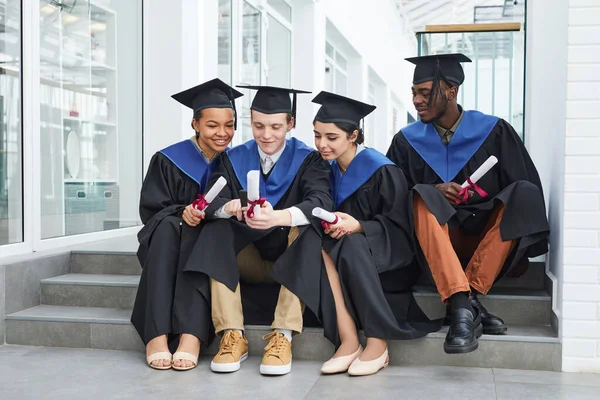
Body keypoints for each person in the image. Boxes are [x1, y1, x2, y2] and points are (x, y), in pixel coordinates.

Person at [386, 53, 550, 354]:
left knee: (524, 192)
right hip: (434, 241)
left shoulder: (494, 130)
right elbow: (390, 197)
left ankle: (464, 296)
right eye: (413, 92)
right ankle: (464, 303)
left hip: (483, 243)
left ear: (451, 91)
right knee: (420, 195)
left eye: (424, 92)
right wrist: (434, 190)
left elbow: (517, 189)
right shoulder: (406, 141)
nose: (416, 100)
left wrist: (480, 195)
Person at [186, 85, 333, 375]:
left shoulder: (309, 159)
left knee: (309, 231)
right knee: (215, 231)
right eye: (258, 125)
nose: (267, 135)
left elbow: (320, 201)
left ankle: (283, 335)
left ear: (290, 123)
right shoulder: (232, 158)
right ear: (250, 121)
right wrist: (227, 208)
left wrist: (278, 217)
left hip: (291, 258)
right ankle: (232, 335)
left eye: (276, 126)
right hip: (249, 258)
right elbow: (212, 199)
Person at [312, 91, 438, 376]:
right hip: (344, 254)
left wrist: (358, 226)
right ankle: (348, 340)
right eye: (317, 135)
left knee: (352, 243)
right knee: (321, 245)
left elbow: (400, 229)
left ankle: (377, 342)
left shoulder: (382, 171)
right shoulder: (324, 171)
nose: (322, 144)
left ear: (353, 135)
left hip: (388, 259)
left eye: (331, 137)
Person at [131, 78, 242, 370]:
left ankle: (191, 335)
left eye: (229, 125)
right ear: (195, 124)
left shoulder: (236, 162)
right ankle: (156, 335)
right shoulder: (169, 159)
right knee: (169, 228)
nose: (222, 133)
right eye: (212, 125)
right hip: (171, 236)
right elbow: (152, 210)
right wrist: (183, 212)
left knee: (206, 234)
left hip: (217, 239)